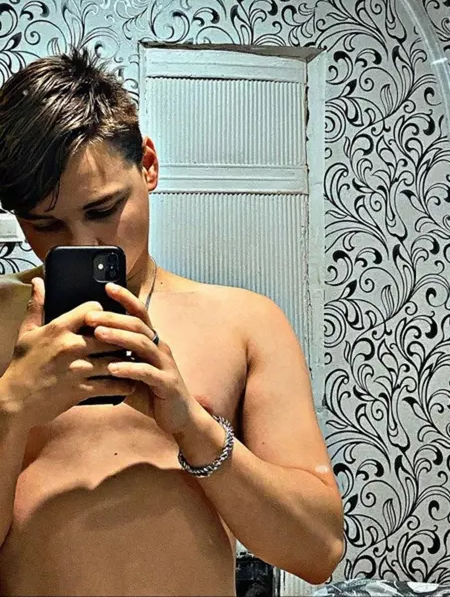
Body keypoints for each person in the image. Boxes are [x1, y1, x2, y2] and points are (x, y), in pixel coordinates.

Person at [0, 47, 344, 596]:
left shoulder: (245, 323)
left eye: (102, 209)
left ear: (149, 165)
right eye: (45, 224)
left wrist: (194, 427)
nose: (82, 242)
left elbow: (318, 551)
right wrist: (11, 408)